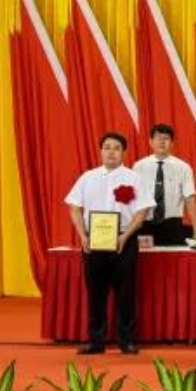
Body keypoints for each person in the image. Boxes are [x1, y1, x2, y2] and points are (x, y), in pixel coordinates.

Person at [64, 132, 149, 355]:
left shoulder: (134, 178)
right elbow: (74, 207)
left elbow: (142, 211)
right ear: (101, 151)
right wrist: (83, 236)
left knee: (126, 292)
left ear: (124, 152)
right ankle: (96, 341)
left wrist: (126, 235)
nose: (111, 152)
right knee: (95, 292)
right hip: (94, 240)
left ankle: (126, 341)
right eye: (107, 147)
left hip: (124, 239)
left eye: (116, 148)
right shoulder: (88, 177)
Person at [132, 123, 196, 246]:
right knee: (146, 258)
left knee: (173, 257)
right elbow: (134, 199)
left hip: (172, 224)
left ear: (172, 143)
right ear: (150, 142)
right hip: (145, 224)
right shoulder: (139, 167)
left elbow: (189, 198)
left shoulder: (183, 167)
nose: (162, 142)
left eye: (166, 138)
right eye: (158, 138)